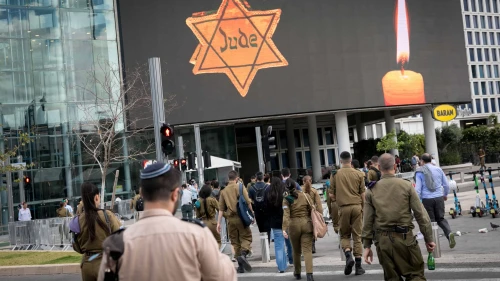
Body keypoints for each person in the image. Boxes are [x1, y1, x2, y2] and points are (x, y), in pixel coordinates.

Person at [97, 163, 236, 281]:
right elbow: (225, 276)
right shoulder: (196, 236)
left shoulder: (117, 244)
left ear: (142, 193)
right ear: (175, 194)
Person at [362, 153, 436, 280]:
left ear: (379, 167)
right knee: (415, 275)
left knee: (392, 278)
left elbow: (367, 220)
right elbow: (421, 215)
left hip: (383, 242)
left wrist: (367, 245)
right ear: (395, 166)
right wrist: (429, 238)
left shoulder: (371, 191)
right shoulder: (406, 186)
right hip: (405, 239)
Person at [330, 151, 366, 276]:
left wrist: (339, 198)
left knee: (344, 235)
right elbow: (363, 195)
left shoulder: (335, 175)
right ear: (351, 160)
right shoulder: (359, 174)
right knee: (357, 236)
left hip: (343, 208)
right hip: (357, 207)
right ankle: (359, 265)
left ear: (340, 161)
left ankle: (348, 254)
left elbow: (331, 194)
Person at [77, 183, 121, 281]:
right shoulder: (107, 215)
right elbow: (120, 239)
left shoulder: (78, 220)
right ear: (97, 197)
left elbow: (77, 247)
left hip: (87, 265)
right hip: (105, 263)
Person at [415, 153, 456, 249]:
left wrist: (418, 200)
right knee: (441, 219)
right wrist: (445, 194)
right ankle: (449, 233)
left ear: (422, 161)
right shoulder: (438, 169)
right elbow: (446, 184)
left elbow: (417, 189)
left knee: (430, 221)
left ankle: (433, 244)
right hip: (439, 197)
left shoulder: (420, 172)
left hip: (427, 199)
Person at [217, 170, 254, 274]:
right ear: (237, 178)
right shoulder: (240, 187)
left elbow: (221, 209)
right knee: (246, 237)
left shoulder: (223, 191)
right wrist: (252, 214)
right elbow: (248, 202)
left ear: (228, 179)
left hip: (230, 220)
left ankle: (240, 266)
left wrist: (219, 223)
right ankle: (243, 254)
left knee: (235, 241)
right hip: (241, 217)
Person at [283, 178, 315, 281]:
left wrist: (284, 228)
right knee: (307, 250)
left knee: (296, 251)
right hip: (307, 224)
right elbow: (313, 208)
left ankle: (297, 273)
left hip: (294, 225)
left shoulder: (286, 199)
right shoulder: (305, 195)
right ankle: (309, 274)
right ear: (296, 185)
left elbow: (286, 215)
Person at [266, 177, 290, 273]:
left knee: (278, 245)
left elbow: (266, 208)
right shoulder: (284, 193)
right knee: (289, 243)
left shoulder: (268, 194)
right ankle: (289, 260)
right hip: (285, 221)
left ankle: (281, 267)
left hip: (274, 223)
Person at [302, 175, 323, 254]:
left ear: (303, 182)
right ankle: (312, 245)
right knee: (312, 228)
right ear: (311, 181)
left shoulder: (299, 190)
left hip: (302, 213)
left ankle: (305, 246)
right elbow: (318, 204)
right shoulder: (314, 191)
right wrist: (320, 215)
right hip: (312, 213)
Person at [248, 172, 271, 238]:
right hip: (267, 211)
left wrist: (252, 210)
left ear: (256, 178)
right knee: (268, 230)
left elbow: (249, 200)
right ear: (263, 177)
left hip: (257, 211)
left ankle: (264, 244)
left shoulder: (252, 188)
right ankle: (267, 245)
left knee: (261, 230)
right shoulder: (268, 187)